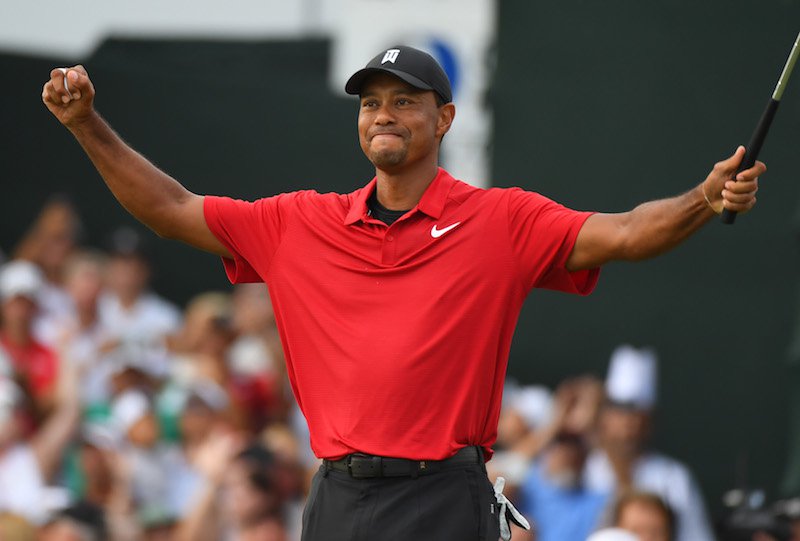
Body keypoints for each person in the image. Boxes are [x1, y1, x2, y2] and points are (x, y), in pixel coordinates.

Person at [41, 44, 764, 541]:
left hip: (444, 498)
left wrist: (704, 197)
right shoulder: (301, 222)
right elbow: (170, 209)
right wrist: (85, 125)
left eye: (404, 101)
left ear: (444, 118)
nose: (383, 113)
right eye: (371, 103)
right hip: (339, 496)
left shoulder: (502, 220)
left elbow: (629, 233)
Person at [583, 346, 715, 541]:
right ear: (604, 418)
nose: (629, 423)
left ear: (650, 421)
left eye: (637, 413)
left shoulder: (674, 477)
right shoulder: (585, 470)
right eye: (621, 411)